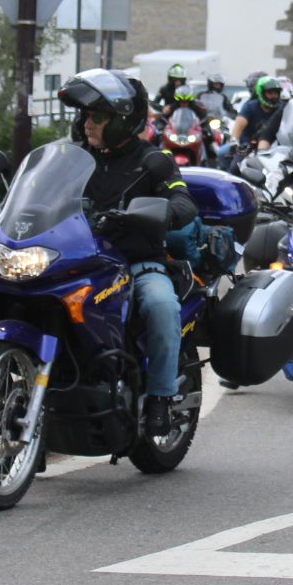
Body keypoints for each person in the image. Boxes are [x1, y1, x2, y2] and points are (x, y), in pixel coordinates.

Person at [60, 70, 198, 437]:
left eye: (97, 116)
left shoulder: (154, 160)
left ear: (123, 120)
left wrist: (166, 212)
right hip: (79, 261)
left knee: (161, 305)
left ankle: (161, 398)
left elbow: (183, 201)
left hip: (137, 262)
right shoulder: (71, 157)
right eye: (85, 115)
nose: (87, 123)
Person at [230, 74, 285, 151]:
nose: (273, 96)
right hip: (247, 148)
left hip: (274, 150)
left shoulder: (282, 109)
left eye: (276, 93)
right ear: (261, 93)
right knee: (226, 156)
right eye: (270, 93)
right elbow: (238, 127)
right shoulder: (249, 107)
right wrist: (234, 142)